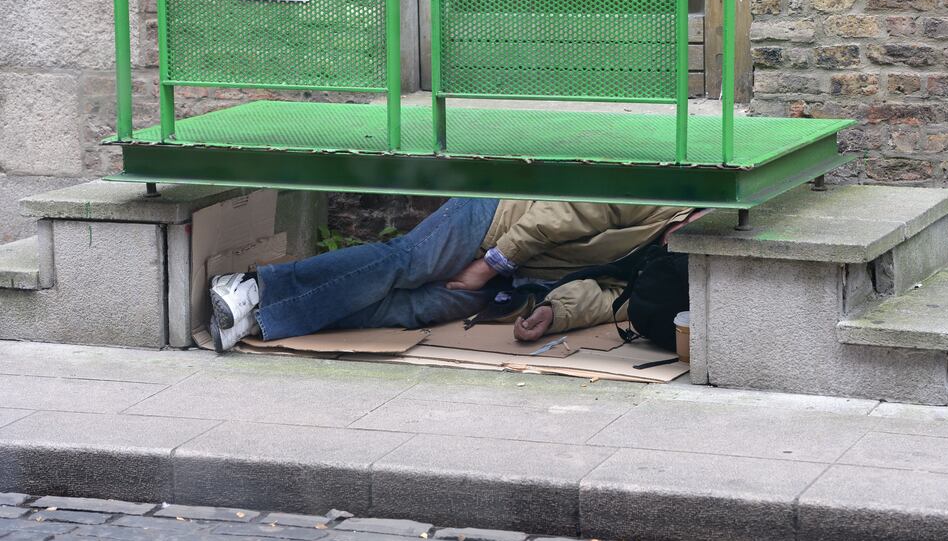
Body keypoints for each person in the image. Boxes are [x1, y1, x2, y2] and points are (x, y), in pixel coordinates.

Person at [208, 199, 695, 352]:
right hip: (497, 219)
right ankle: (255, 288)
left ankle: (262, 319)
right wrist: (488, 265)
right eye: (690, 237)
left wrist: (552, 312)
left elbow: (610, 295)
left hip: (517, 277)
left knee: (420, 306)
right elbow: (562, 213)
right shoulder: (663, 199)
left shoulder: (669, 260)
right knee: (409, 262)